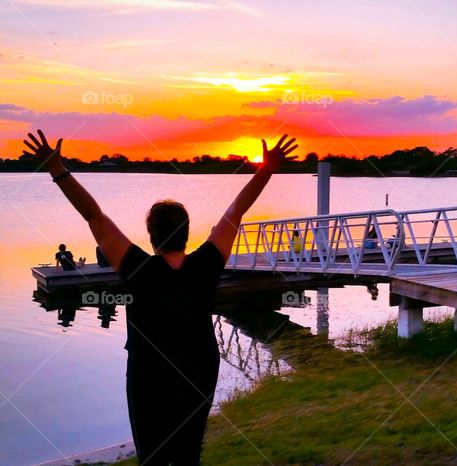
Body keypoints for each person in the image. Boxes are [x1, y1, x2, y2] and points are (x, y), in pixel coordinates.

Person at [23, 129, 297, 464]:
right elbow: (235, 213)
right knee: (187, 454)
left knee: (152, 457)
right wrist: (266, 170)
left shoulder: (138, 267)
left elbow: (93, 216)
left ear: (151, 234)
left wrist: (56, 168)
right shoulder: (207, 263)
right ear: (187, 232)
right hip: (199, 367)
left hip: (149, 373)